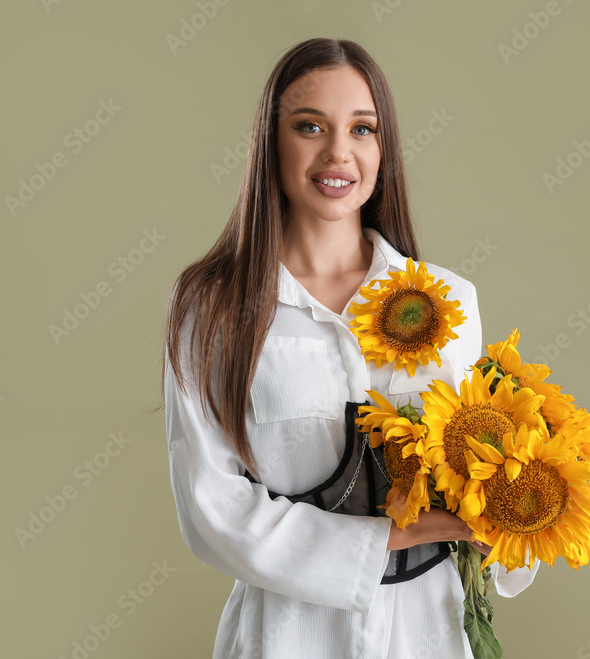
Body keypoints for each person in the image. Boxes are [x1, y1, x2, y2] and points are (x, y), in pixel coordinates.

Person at [163, 37, 539, 659]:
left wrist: (519, 507)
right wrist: (386, 537)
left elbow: (487, 480)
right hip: (285, 635)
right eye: (310, 125)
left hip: (431, 630)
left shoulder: (451, 297)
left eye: (362, 129)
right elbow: (212, 507)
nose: (338, 152)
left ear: (383, 148)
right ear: (269, 142)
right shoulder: (214, 308)